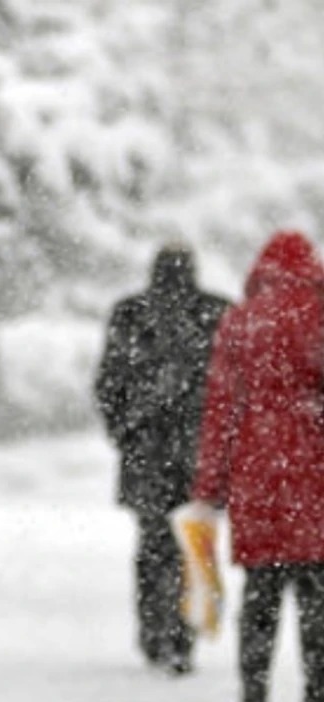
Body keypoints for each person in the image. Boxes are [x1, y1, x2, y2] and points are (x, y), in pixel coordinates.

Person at [191, 230, 324, 702]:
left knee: (260, 599)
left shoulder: (240, 322)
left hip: (258, 477)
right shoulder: (320, 316)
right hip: (315, 482)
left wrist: (209, 487)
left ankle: (252, 701)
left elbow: (220, 410)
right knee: (318, 605)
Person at [94, 244, 229, 675]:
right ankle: (182, 636)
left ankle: (155, 630)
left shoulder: (131, 314)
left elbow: (108, 383)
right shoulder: (217, 313)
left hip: (147, 452)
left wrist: (126, 432)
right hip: (200, 455)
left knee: (153, 545)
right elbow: (238, 388)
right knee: (194, 544)